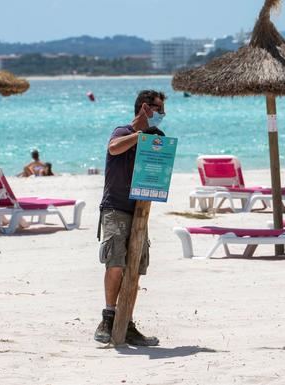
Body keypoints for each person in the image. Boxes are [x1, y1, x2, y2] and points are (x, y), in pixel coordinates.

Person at [94, 90, 166, 346]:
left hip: (140, 211)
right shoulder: (123, 132)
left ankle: (128, 321)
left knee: (135, 267)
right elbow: (113, 149)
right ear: (145, 108)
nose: (162, 116)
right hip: (115, 207)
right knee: (115, 262)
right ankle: (109, 317)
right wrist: (140, 136)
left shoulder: (153, 137)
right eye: (159, 110)